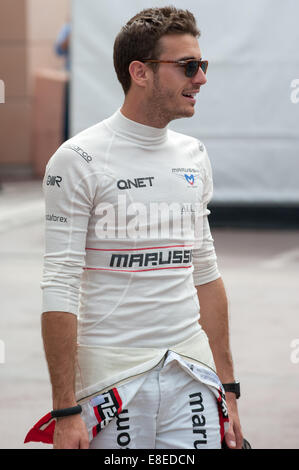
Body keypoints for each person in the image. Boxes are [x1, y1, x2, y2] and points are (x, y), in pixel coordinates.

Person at [32, 6, 244, 449]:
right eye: (188, 66)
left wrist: (229, 388)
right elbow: (59, 284)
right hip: (111, 381)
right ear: (140, 72)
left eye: (202, 65)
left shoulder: (194, 155)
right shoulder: (77, 160)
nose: (201, 78)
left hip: (191, 372)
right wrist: (65, 410)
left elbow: (205, 273)